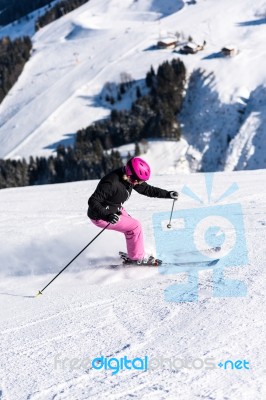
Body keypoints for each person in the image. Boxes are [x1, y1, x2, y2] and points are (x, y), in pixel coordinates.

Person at [87, 157, 178, 265]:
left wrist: (167, 194)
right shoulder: (111, 183)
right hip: (101, 215)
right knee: (135, 226)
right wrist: (107, 216)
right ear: (130, 175)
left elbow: (147, 189)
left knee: (133, 228)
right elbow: (93, 201)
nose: (138, 183)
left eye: (141, 181)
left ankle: (135, 254)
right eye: (137, 181)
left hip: (115, 208)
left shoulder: (130, 178)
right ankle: (136, 258)